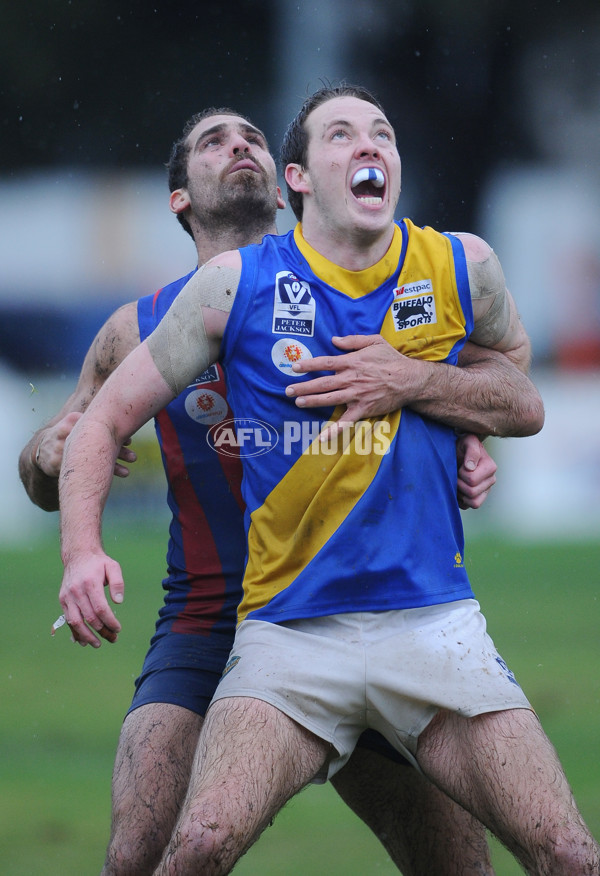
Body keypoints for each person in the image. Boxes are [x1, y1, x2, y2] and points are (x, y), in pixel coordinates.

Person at [55, 90, 580, 875]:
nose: (369, 146)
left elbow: (514, 382)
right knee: (182, 846)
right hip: (267, 626)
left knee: (555, 854)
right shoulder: (217, 293)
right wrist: (79, 546)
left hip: (429, 623)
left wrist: (449, 413)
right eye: (342, 134)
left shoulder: (458, 265)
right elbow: (89, 427)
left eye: (383, 133)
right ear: (297, 180)